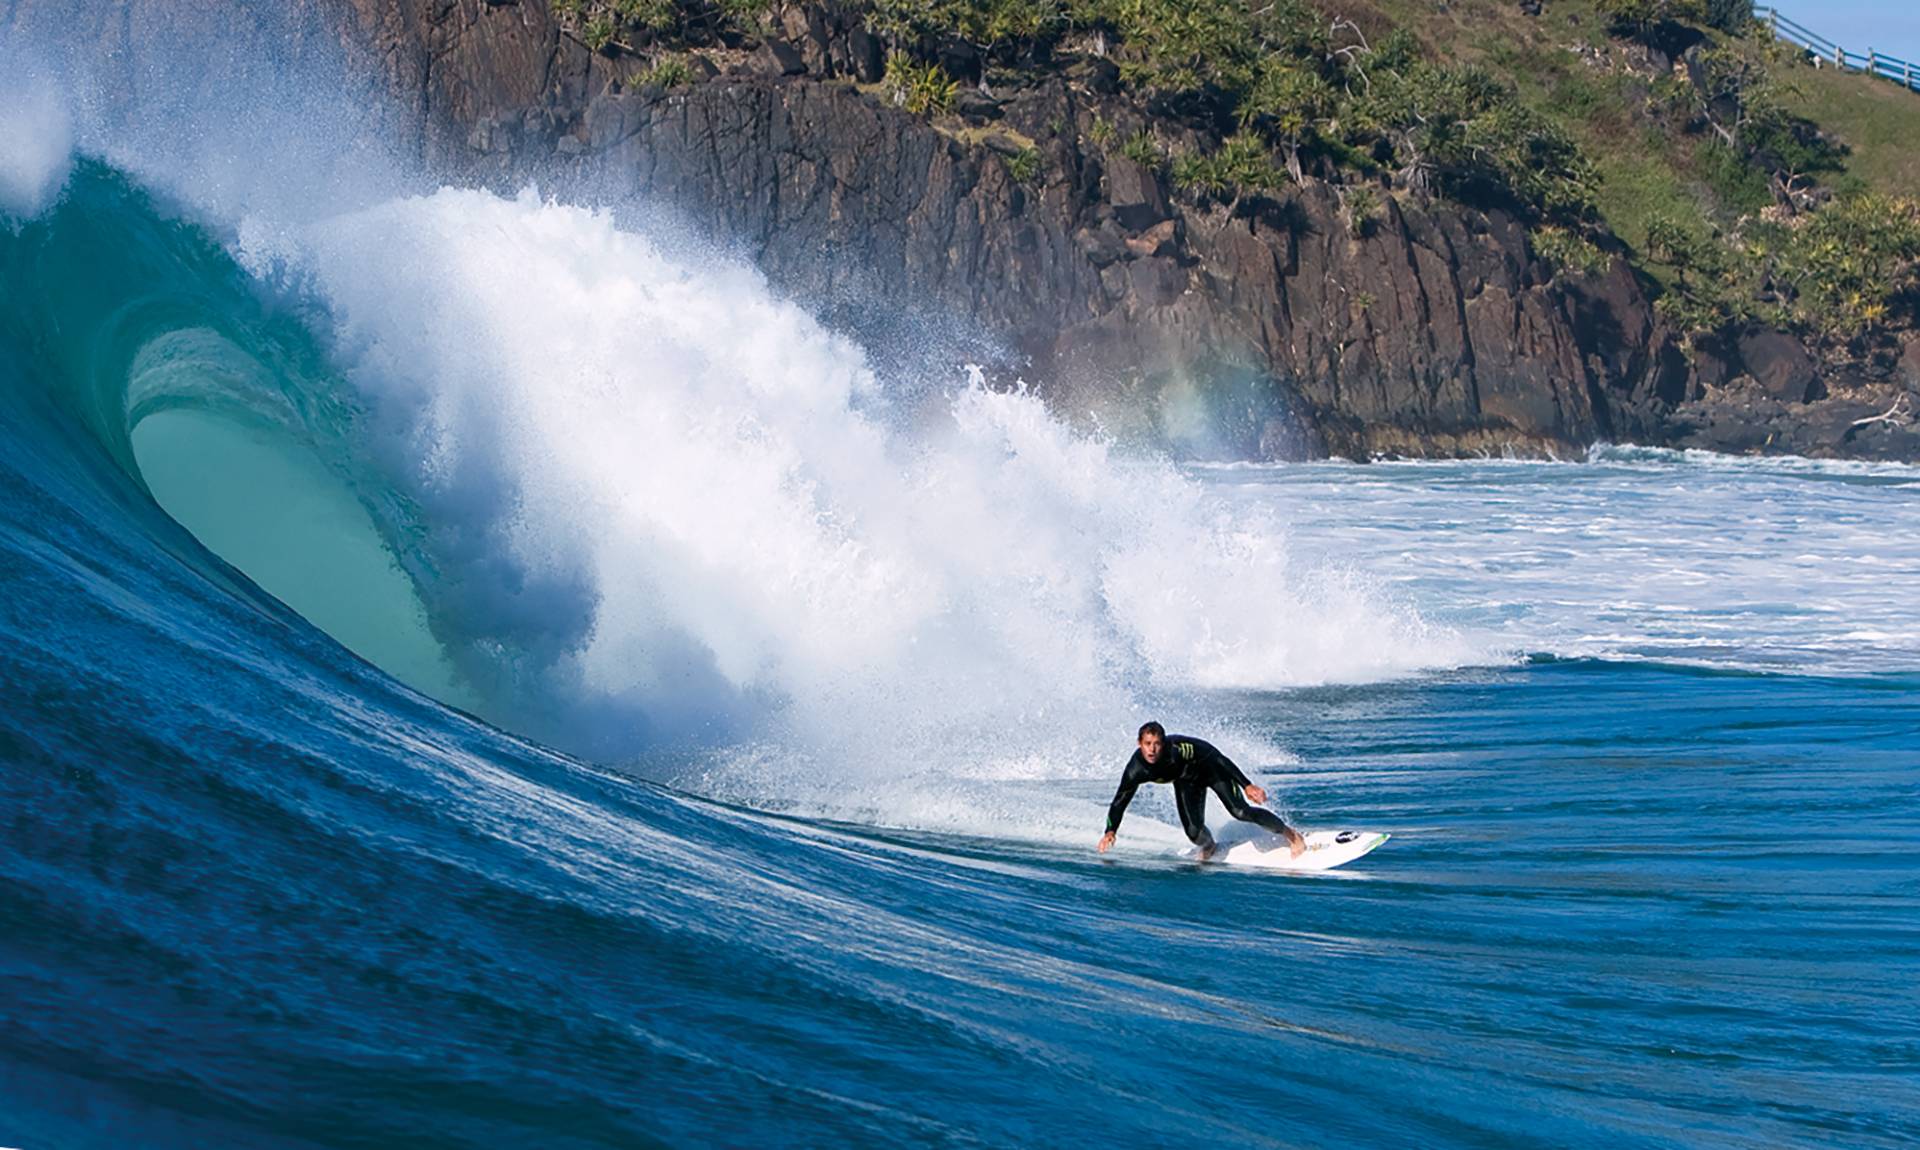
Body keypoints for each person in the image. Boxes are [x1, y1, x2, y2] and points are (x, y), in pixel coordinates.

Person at [1097, 722, 1305, 861]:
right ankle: (1210, 846)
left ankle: (1291, 834)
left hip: (1212, 771)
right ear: (1139, 744)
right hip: (1187, 782)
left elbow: (1217, 758)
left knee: (1240, 812)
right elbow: (1120, 801)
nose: (1152, 750)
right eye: (1147, 744)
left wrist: (1246, 784)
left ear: (1164, 743)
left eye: (1157, 744)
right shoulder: (1136, 770)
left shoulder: (1179, 749)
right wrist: (1111, 831)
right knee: (1194, 833)